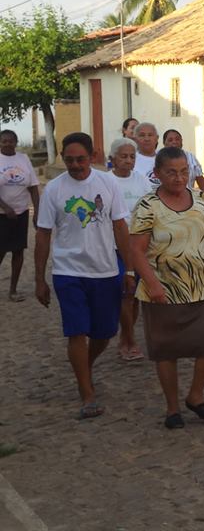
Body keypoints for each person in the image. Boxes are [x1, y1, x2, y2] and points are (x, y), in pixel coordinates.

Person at [129, 147, 204, 430]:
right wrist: (151, 283)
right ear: (157, 174)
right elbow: (137, 251)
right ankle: (172, 407)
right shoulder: (147, 206)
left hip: (203, 286)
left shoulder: (201, 200)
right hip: (163, 290)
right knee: (167, 351)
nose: (179, 178)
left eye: (183, 172)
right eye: (171, 173)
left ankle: (196, 394)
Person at [34, 132, 134, 420]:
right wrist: (39, 279)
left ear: (92, 156)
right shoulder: (53, 189)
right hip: (68, 271)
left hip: (105, 269)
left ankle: (84, 368)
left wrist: (127, 270)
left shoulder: (108, 183)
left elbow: (120, 227)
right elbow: (43, 235)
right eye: (69, 160)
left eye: (80, 159)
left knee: (104, 332)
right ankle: (86, 393)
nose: (75, 165)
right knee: (76, 330)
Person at [109, 137, 153, 361]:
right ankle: (130, 339)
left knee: (135, 296)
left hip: (140, 246)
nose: (128, 161)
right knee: (125, 294)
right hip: (116, 247)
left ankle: (125, 337)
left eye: (132, 157)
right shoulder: (106, 182)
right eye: (123, 156)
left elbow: (149, 205)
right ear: (112, 159)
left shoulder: (142, 180)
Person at [0, 129, 40, 302]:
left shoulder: (23, 159)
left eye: (11, 141)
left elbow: (33, 187)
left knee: (18, 251)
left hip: (21, 213)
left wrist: (37, 211)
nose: (8, 143)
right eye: (4, 141)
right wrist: (5, 207)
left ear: (16, 142)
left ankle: (13, 290)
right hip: (2, 214)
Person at [162, 129, 204, 196]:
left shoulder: (191, 157)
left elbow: (201, 181)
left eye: (177, 139)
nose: (174, 142)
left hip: (188, 201)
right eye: (170, 140)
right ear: (164, 143)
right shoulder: (159, 160)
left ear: (182, 141)